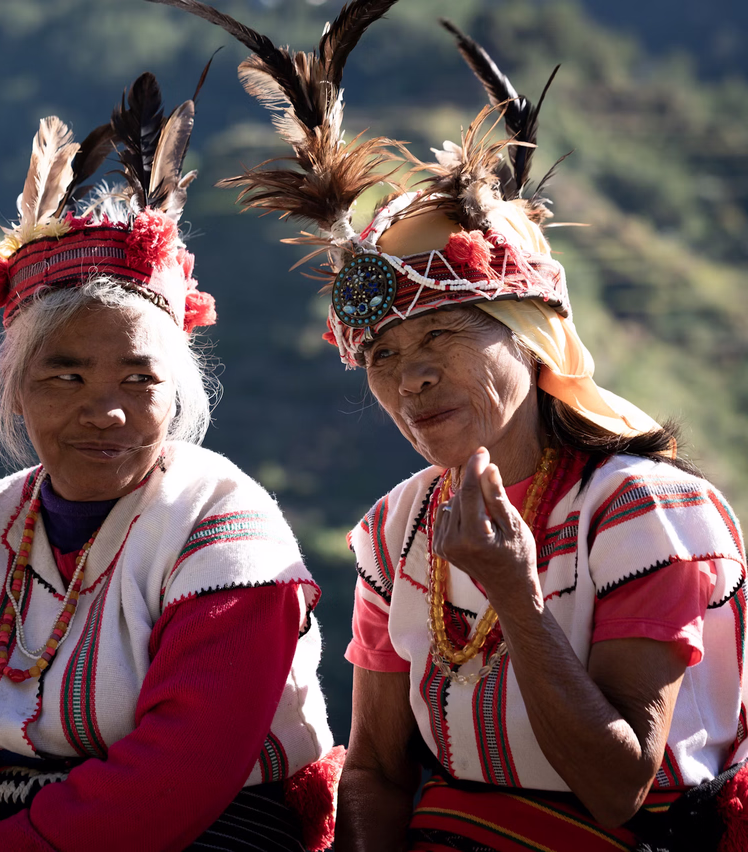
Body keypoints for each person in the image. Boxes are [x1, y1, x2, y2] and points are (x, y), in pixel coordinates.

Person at [159, 1, 748, 849]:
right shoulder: (400, 531)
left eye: (440, 337)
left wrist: (514, 592)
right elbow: (375, 772)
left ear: (533, 337)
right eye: (383, 359)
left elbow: (619, 787)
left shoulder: (645, 513)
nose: (412, 379)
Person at [0, 71, 342, 852]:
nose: (108, 410)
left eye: (139, 379)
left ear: (179, 393)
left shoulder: (228, 532)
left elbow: (179, 778)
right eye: (65, 376)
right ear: (16, 392)